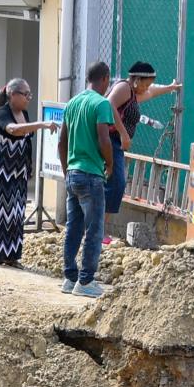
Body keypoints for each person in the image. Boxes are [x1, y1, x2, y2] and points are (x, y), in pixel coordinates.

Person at [0, 78, 57, 266]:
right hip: (3, 173)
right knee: (1, 212)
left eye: (29, 94)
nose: (28, 98)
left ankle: (13, 255)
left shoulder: (23, 112)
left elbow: (26, 141)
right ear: (13, 95)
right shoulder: (2, 113)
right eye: (25, 94)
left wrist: (28, 167)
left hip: (20, 172)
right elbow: (14, 130)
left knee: (17, 213)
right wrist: (41, 124)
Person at [58, 61, 116, 298]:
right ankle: (86, 281)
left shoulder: (72, 103)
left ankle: (69, 278)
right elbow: (104, 139)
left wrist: (66, 170)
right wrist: (110, 164)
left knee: (73, 228)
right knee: (94, 230)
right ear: (104, 79)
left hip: (72, 173)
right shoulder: (102, 104)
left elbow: (62, 142)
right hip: (91, 175)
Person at [105, 61, 181, 221]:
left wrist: (170, 87)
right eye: (145, 84)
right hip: (110, 140)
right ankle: (100, 229)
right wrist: (123, 134)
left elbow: (152, 91)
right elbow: (109, 104)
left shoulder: (133, 93)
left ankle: (100, 229)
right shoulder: (124, 88)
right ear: (137, 80)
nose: (147, 88)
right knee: (115, 183)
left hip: (116, 143)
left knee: (115, 184)